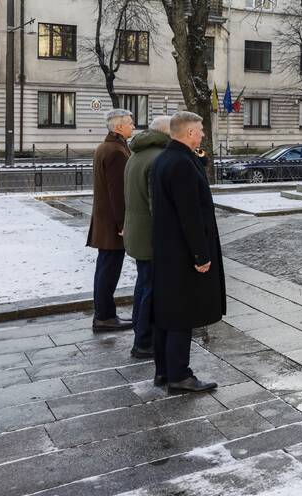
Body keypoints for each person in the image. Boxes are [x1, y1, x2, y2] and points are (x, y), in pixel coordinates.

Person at [149, 111, 225, 393]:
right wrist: (200, 255)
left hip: (167, 249)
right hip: (182, 252)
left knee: (166, 312)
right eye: (201, 129)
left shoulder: (167, 158)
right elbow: (190, 214)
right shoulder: (180, 163)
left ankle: (164, 371)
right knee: (181, 313)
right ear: (190, 133)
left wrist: (199, 161)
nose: (203, 134)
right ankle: (179, 374)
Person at [122, 115, 171, 358]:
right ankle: (143, 341)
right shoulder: (158, 158)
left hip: (136, 232)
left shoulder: (137, 153)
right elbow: (157, 206)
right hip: (150, 236)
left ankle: (138, 330)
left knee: (143, 284)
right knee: (151, 288)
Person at [87, 108, 134, 332]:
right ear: (118, 127)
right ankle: (104, 316)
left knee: (105, 269)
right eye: (130, 123)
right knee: (108, 270)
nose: (133, 125)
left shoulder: (106, 147)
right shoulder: (116, 151)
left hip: (105, 222)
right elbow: (118, 192)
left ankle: (104, 314)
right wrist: (123, 224)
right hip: (112, 225)